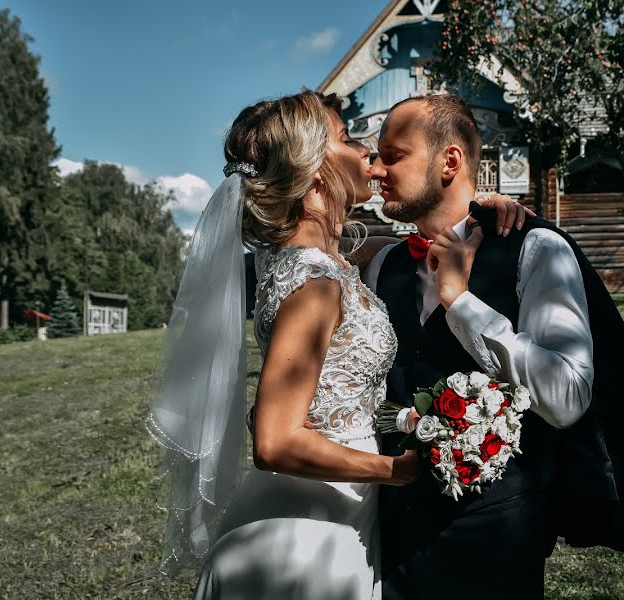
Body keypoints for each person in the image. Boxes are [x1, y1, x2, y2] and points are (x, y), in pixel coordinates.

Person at [145, 90, 531, 600]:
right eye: (348, 138)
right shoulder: (314, 283)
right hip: (299, 541)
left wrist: (477, 207)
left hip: (338, 515)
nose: (367, 152)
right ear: (317, 169)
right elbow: (274, 441)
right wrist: (397, 470)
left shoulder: (330, 264)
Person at [363, 94, 624, 600]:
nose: (375, 170)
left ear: (450, 162)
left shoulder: (539, 250)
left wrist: (460, 305)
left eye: (393, 156)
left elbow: (568, 396)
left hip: (495, 546)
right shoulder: (380, 265)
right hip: (387, 538)